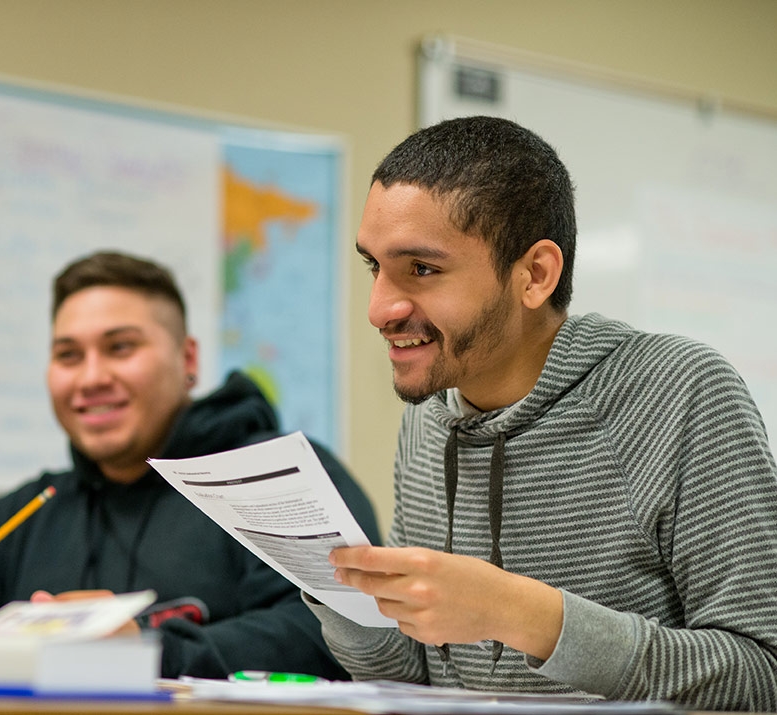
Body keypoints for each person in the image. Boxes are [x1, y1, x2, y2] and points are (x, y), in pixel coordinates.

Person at [305, 116, 777, 711]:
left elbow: (764, 676)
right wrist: (329, 588)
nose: (379, 309)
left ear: (535, 275)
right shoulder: (429, 416)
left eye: (421, 269)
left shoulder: (678, 392)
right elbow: (417, 678)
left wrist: (524, 615)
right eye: (375, 266)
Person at [0, 250, 381, 681]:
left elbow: (344, 636)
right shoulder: (32, 510)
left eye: (120, 347)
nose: (91, 378)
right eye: (68, 355)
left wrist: (146, 648)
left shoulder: (277, 478)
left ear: (187, 358)